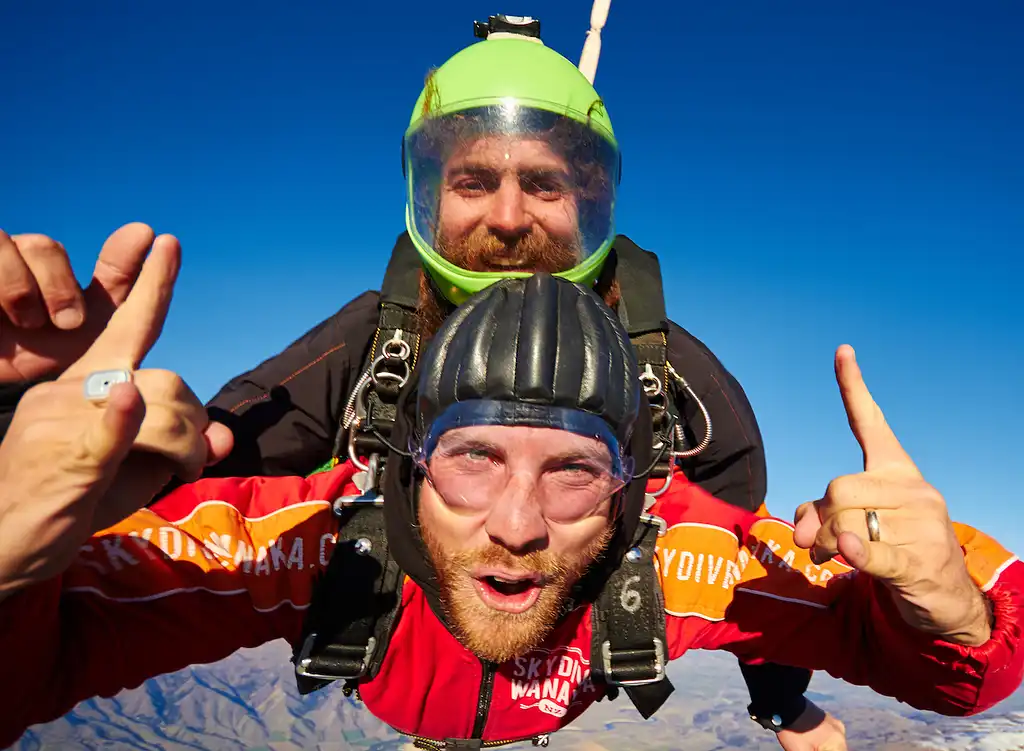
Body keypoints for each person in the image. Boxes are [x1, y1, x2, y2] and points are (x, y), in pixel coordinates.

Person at [0, 13, 833, 745]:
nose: (508, 217)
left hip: (561, 690)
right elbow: (199, 485)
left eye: (543, 182)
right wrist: (33, 434)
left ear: (593, 202)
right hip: (395, 678)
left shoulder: (672, 384)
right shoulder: (366, 352)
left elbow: (741, 559)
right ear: (427, 197)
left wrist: (780, 700)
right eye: (474, 181)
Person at [0, 269, 1020, 751]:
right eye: (473, 457)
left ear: (632, 491)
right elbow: (32, 671)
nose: (518, 525)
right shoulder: (308, 541)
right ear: (403, 463)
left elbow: (967, 665)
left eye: (574, 469)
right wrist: (13, 546)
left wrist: (945, 602)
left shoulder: (674, 554)